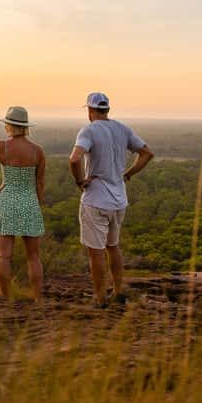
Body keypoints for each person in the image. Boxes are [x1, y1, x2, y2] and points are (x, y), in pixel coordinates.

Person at [69, 92, 154, 307]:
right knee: (113, 246)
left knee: (95, 252)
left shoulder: (88, 130)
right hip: (119, 200)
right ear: (106, 109)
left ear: (90, 110)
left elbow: (74, 159)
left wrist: (80, 181)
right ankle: (117, 290)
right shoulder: (122, 129)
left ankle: (100, 298)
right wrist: (127, 174)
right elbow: (146, 153)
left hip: (96, 199)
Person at [0, 105, 46, 302]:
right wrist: (38, 207)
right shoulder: (37, 151)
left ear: (9, 125)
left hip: (7, 202)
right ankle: (38, 299)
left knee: (4, 256)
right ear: (25, 126)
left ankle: (7, 298)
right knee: (33, 257)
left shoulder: (0, 146)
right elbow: (39, 183)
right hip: (29, 202)